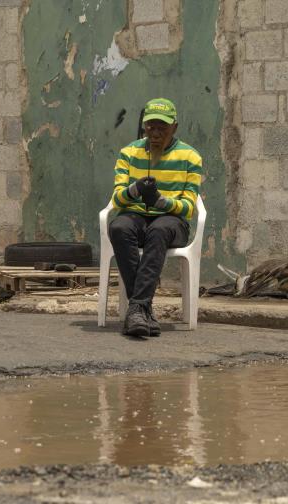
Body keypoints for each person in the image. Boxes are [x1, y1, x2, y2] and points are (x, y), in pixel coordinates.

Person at [108, 98, 202, 337]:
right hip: (136, 216)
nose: (156, 133)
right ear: (144, 127)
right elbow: (118, 200)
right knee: (119, 227)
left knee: (158, 230)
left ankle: (137, 308)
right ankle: (141, 310)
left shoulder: (190, 157)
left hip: (173, 221)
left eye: (163, 128)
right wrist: (135, 190)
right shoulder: (129, 153)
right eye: (151, 127)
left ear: (175, 128)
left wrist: (162, 202)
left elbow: (189, 207)